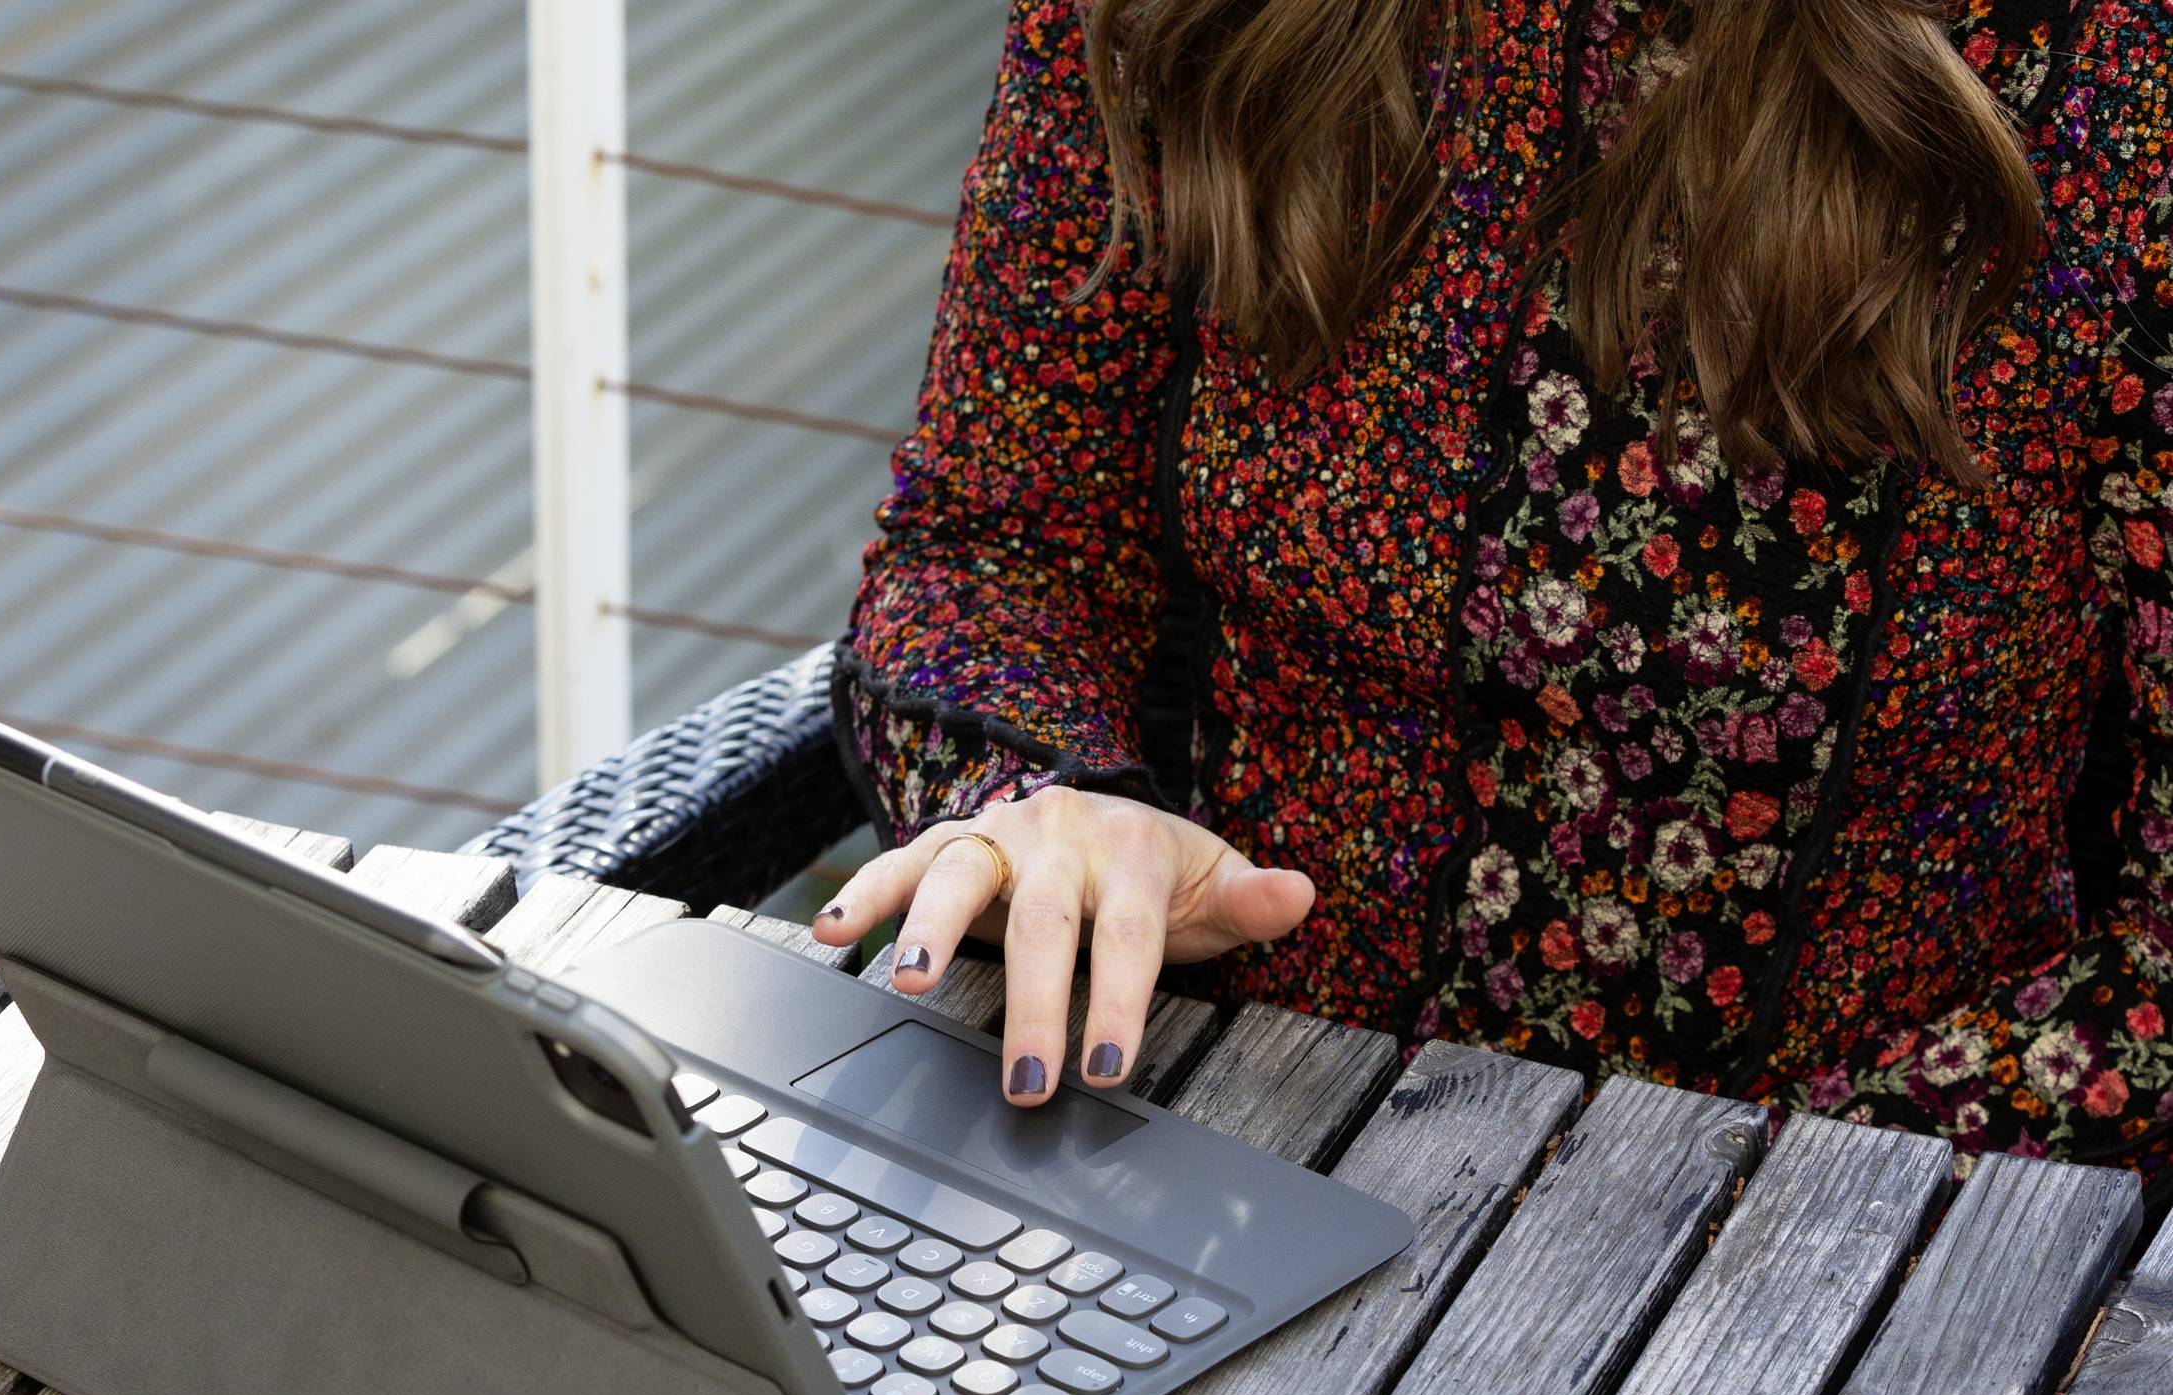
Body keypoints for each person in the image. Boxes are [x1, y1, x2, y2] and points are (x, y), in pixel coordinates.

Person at [808, 0, 2173, 1186]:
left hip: (1852, 1250)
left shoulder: (2118, 77)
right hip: (1217, 1139)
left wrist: (1802, 1191)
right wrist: (1055, 809)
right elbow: (991, 548)